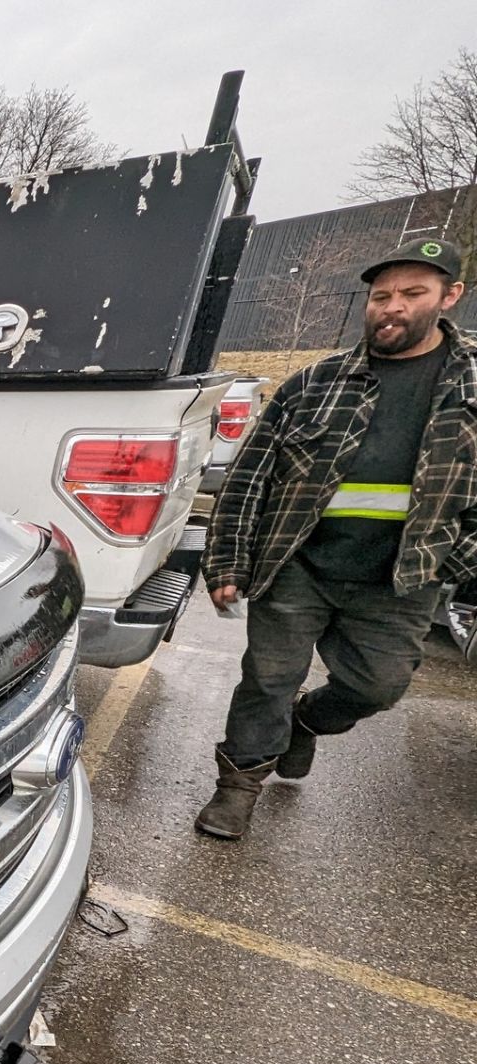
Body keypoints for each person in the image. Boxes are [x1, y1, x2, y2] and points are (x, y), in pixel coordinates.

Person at [196, 236, 475, 839]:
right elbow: (250, 477)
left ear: (450, 297)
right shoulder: (314, 385)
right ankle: (239, 783)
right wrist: (225, 564)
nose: (392, 307)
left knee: (377, 686)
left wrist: (457, 558)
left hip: (400, 578)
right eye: (381, 296)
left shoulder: (472, 390)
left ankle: (308, 723)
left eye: (411, 294)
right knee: (267, 679)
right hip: (298, 564)